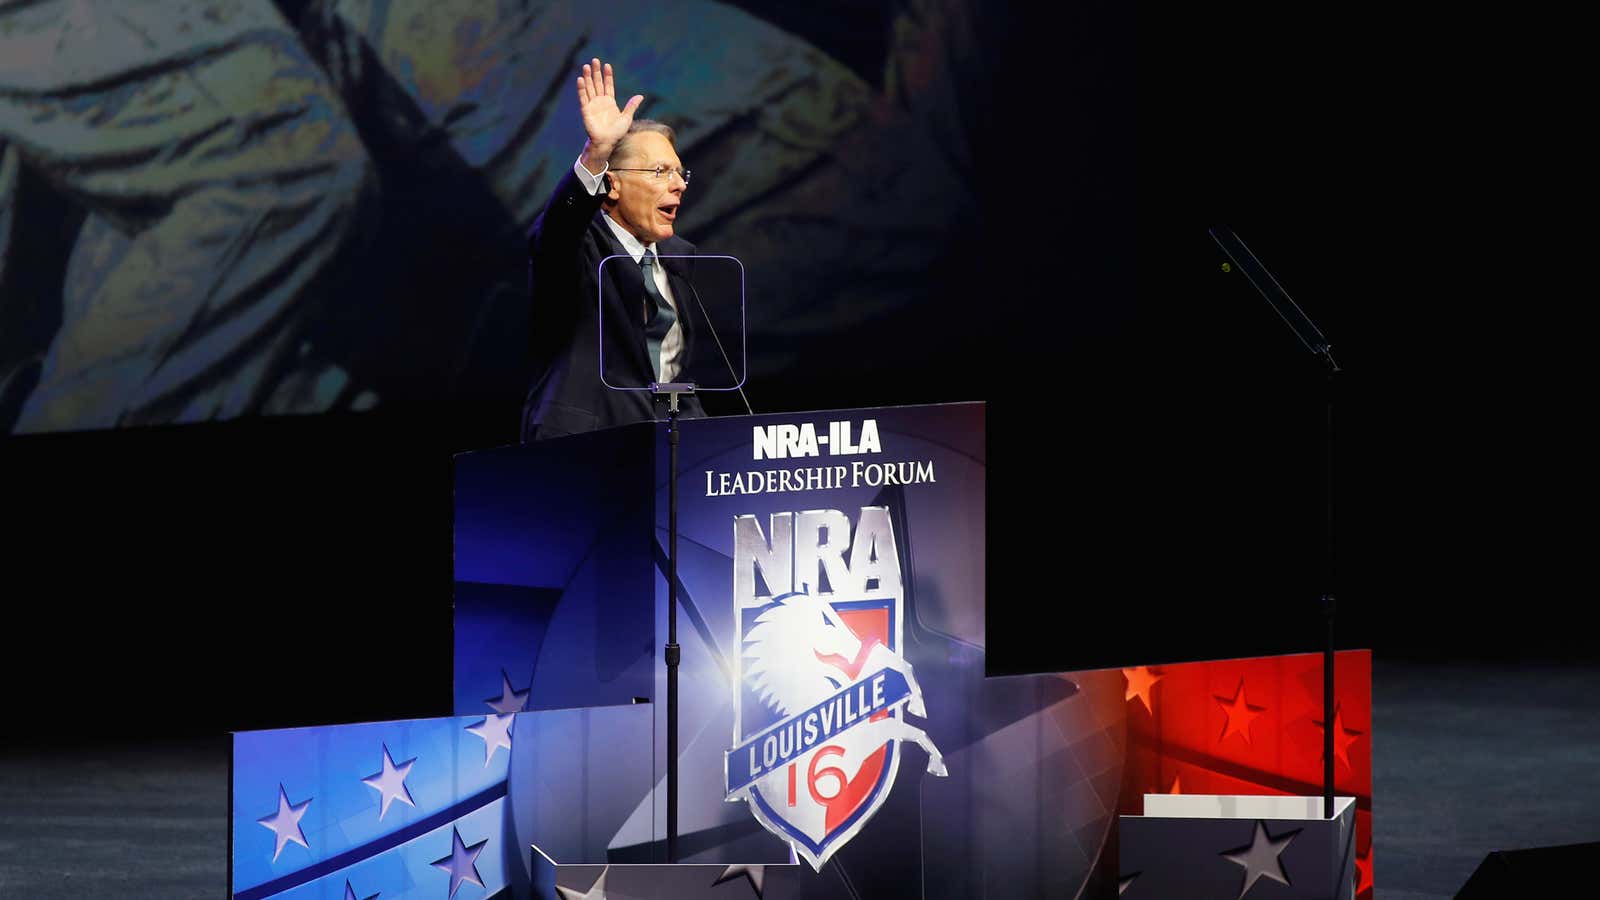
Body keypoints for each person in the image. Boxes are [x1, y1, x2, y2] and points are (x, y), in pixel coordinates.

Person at [521, 59, 707, 441]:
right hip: (585, 445)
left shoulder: (679, 258)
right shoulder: (577, 250)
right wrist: (597, 152)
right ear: (613, 185)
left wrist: (704, 436)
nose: (679, 185)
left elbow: (672, 371)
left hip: (670, 449)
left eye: (679, 173)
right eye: (660, 172)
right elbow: (557, 230)